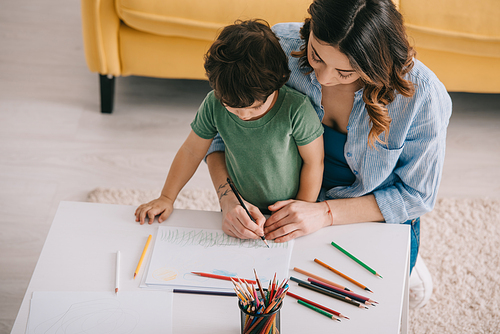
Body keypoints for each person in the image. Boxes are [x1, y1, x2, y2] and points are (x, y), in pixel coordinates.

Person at [205, 0, 452, 309]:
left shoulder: (422, 96)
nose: (322, 78)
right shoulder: (279, 46)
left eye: (345, 72)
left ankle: (413, 274)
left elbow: (416, 195)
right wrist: (228, 198)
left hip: (367, 214)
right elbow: (217, 132)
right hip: (283, 202)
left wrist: (324, 214)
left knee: (385, 301)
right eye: (316, 56)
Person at [135, 19, 324, 231]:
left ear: (279, 79)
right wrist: (167, 197)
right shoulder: (213, 104)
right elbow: (190, 151)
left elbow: (314, 163)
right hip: (239, 209)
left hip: (287, 210)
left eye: (255, 108)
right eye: (232, 108)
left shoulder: (296, 109)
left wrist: (301, 209)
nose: (243, 115)